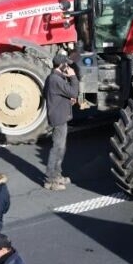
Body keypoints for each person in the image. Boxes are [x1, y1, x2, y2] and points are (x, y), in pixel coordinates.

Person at [43, 53, 79, 190]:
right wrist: (73, 76)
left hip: (59, 116)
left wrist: (64, 99)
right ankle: (50, 180)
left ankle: (57, 175)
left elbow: (46, 93)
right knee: (57, 149)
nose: (68, 66)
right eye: (67, 64)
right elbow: (74, 92)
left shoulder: (53, 78)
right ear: (62, 65)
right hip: (58, 118)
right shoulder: (56, 80)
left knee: (61, 148)